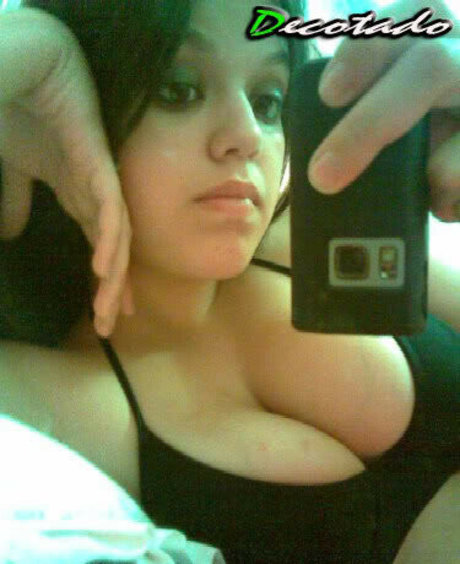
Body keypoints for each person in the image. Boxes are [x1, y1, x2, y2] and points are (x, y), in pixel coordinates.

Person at [0, 0, 458, 562]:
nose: (247, 135)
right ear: (70, 111)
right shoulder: (44, 395)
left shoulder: (310, 236)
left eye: (268, 101)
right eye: (179, 90)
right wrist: (23, 43)